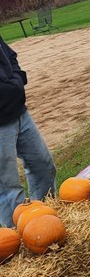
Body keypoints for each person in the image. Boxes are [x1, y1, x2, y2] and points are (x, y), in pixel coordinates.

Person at [0, 36, 56, 226]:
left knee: (43, 166)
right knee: (8, 188)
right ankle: (19, 236)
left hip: (19, 113)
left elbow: (10, 56)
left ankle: (46, 220)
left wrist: (16, 80)